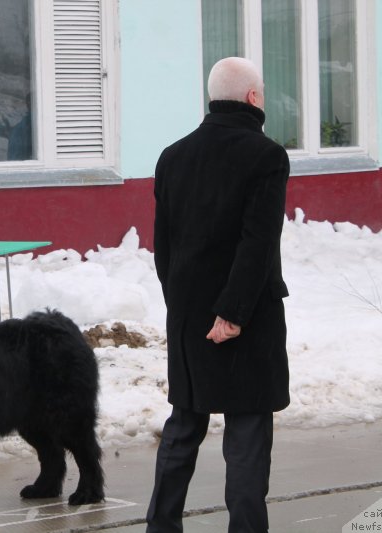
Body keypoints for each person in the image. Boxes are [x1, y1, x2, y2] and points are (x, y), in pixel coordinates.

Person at [145, 57, 290, 533]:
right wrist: (231, 314)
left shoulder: (173, 155)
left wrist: (182, 306)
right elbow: (257, 242)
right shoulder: (266, 155)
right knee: (246, 439)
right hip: (244, 321)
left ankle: (161, 526)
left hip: (190, 318)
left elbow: (163, 246)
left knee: (184, 427)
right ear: (252, 97)